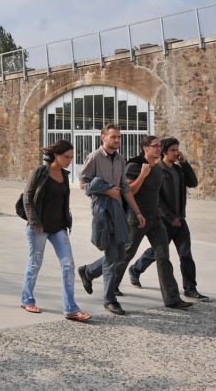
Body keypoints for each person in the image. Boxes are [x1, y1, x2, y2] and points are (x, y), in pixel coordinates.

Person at [82, 135, 191, 310]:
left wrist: (169, 215)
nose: (158, 149)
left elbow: (159, 195)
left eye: (159, 146)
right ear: (145, 148)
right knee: (123, 254)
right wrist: (142, 174)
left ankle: (172, 299)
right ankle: (90, 272)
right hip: (135, 217)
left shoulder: (158, 169)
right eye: (155, 146)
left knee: (163, 256)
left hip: (156, 218)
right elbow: (128, 191)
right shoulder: (134, 165)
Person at [76, 123, 147, 315]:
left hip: (117, 210)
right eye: (113, 136)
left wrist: (138, 212)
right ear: (103, 137)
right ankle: (109, 299)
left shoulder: (121, 159)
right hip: (102, 211)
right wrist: (107, 190)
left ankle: (88, 271)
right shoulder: (95, 157)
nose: (117, 140)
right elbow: (82, 183)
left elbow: (124, 188)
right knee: (111, 255)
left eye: (119, 137)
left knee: (119, 254)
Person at [20, 140, 92, 322]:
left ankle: (70, 309)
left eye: (71, 157)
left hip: (58, 227)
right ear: (56, 155)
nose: (69, 161)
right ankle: (27, 299)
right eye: (66, 157)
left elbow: (63, 201)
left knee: (68, 265)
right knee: (35, 263)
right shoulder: (40, 172)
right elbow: (28, 197)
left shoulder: (64, 175)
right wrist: (35, 221)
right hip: (39, 227)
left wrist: (67, 221)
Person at [129, 137, 209, 301]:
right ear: (164, 152)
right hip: (164, 220)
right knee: (157, 253)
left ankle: (190, 288)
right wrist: (170, 217)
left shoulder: (178, 170)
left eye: (177, 149)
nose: (176, 153)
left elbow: (193, 183)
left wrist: (185, 164)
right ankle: (136, 269)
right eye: (173, 150)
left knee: (185, 254)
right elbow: (156, 198)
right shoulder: (156, 169)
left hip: (180, 219)